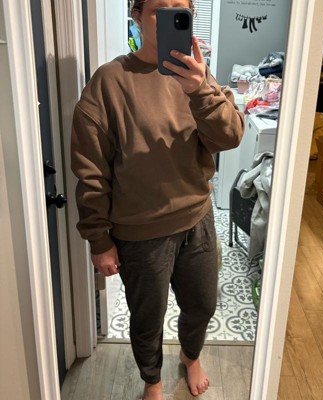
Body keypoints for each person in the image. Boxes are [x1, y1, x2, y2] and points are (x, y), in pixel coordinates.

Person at [71, 0, 244, 398]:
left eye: (180, 10)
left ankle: (190, 355)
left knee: (202, 305)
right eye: (159, 11)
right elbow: (90, 168)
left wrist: (199, 90)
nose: (172, 18)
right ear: (136, 16)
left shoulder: (197, 74)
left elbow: (231, 136)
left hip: (197, 218)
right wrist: (99, 239)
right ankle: (152, 379)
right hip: (141, 231)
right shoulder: (110, 81)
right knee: (147, 319)